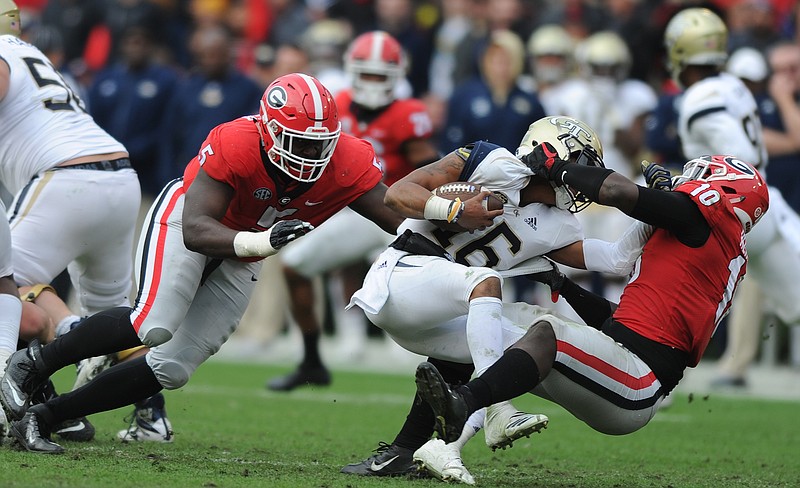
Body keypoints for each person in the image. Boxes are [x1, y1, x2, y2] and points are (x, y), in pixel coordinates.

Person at [0, 72, 404, 454]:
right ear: (270, 131)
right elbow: (195, 229)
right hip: (192, 223)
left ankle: (46, 416)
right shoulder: (237, 141)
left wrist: (447, 235)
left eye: (321, 142)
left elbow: (396, 220)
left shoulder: (348, 160)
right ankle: (34, 363)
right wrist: (260, 241)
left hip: (248, 248)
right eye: (300, 142)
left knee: (173, 367)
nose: (312, 154)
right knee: (152, 323)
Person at [413, 148, 769, 483]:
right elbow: (622, 324)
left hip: (639, 382)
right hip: (628, 366)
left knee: (547, 331)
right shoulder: (709, 240)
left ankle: (465, 403)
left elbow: (617, 192)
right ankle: (438, 447)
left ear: (722, 188)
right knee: (497, 324)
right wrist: (562, 284)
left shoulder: (707, 219)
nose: (683, 181)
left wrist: (556, 167)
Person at [342, 116, 653, 482]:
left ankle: (407, 452)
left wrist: (656, 210)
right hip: (399, 277)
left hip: (438, 308)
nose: (584, 180)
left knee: (519, 347)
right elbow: (396, 195)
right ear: (548, 153)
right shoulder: (494, 164)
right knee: (486, 283)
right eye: (581, 164)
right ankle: (498, 412)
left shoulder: (559, 224)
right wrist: (454, 210)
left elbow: (617, 258)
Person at [267, 31, 440, 391]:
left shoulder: (409, 114)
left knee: (413, 287)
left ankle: (437, 360)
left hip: (396, 213)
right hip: (351, 213)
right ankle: (312, 360)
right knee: (295, 265)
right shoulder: (334, 105)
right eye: (368, 73)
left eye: (381, 75)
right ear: (351, 69)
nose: (373, 83)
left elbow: (431, 173)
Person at [1, 1, 141, 441]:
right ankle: (151, 417)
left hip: (65, 178)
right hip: (119, 178)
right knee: (115, 322)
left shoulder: (5, 54)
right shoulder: (32, 54)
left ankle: (28, 403)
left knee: (8, 285)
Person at [662, 8, 800, 388]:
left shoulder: (699, 98)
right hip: (761, 210)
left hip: (734, 216)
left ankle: (649, 367)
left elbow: (741, 161)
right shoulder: (733, 86)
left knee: (663, 280)